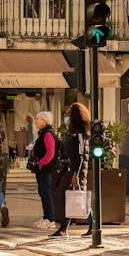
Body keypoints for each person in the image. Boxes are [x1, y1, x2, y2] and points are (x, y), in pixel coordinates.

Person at [49, 102, 91, 238]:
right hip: (67, 171)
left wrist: (76, 174)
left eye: (67, 113)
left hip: (73, 172)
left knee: (76, 198)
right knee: (69, 198)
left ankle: (66, 228)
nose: (65, 115)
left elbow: (79, 155)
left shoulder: (78, 134)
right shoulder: (70, 133)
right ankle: (64, 228)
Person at [31, 110, 58, 230]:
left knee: (46, 193)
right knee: (42, 193)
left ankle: (50, 219)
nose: (36, 121)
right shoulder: (41, 133)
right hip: (41, 169)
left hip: (46, 168)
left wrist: (41, 163)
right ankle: (46, 216)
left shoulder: (48, 134)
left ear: (45, 121)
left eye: (38, 119)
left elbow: (50, 152)